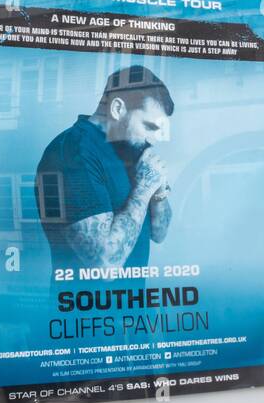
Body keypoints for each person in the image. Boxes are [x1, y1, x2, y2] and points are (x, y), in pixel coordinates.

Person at [34, 65, 173, 271]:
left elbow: (159, 234)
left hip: (136, 302)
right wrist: (144, 189)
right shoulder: (71, 152)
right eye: (148, 127)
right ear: (118, 109)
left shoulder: (131, 149)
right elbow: (104, 264)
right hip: (85, 302)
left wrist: (159, 191)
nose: (153, 139)